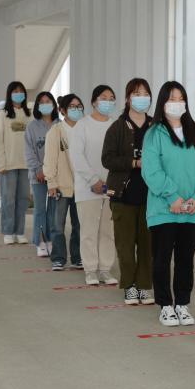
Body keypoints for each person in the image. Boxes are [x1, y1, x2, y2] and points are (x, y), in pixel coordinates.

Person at [142, 81, 195, 326]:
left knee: (185, 260)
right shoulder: (154, 134)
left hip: (192, 211)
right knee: (161, 259)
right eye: (172, 99)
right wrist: (172, 197)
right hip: (164, 209)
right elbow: (151, 170)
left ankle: (182, 303)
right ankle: (165, 305)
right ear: (163, 103)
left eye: (181, 99)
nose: (177, 103)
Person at [103, 78, 155, 305]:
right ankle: (129, 286)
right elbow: (107, 159)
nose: (141, 98)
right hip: (123, 196)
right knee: (125, 245)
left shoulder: (156, 126)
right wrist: (134, 163)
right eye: (136, 93)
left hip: (151, 196)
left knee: (147, 245)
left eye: (145, 94)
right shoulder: (117, 127)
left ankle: (144, 285)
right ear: (127, 98)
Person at [70, 85, 119, 287]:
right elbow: (77, 156)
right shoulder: (82, 125)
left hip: (112, 187)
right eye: (103, 97)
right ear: (93, 102)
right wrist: (94, 180)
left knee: (108, 231)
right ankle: (90, 270)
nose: (108, 101)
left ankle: (105, 269)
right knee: (88, 231)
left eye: (111, 98)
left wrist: (111, 182)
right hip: (87, 188)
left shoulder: (116, 125)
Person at [44, 93, 84, 271]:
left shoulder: (84, 129)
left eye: (79, 106)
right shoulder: (56, 131)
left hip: (82, 186)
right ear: (63, 110)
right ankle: (59, 258)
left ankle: (77, 257)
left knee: (79, 225)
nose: (76, 110)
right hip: (61, 185)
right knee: (57, 224)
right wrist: (51, 182)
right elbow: (50, 159)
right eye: (72, 107)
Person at [0, 81, 31, 245]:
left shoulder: (29, 114)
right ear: (9, 94)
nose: (18, 94)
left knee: (23, 199)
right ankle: (8, 231)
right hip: (8, 164)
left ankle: (19, 231)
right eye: (15, 91)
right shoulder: (3, 114)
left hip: (26, 164)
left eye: (21, 91)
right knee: (8, 199)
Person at [25, 91, 58, 257]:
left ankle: (50, 240)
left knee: (53, 210)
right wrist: (38, 169)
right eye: (42, 102)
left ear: (53, 104)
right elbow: (29, 151)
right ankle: (40, 242)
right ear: (38, 106)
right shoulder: (32, 127)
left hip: (56, 176)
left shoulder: (60, 125)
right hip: (38, 176)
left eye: (48, 101)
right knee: (40, 209)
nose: (45, 104)